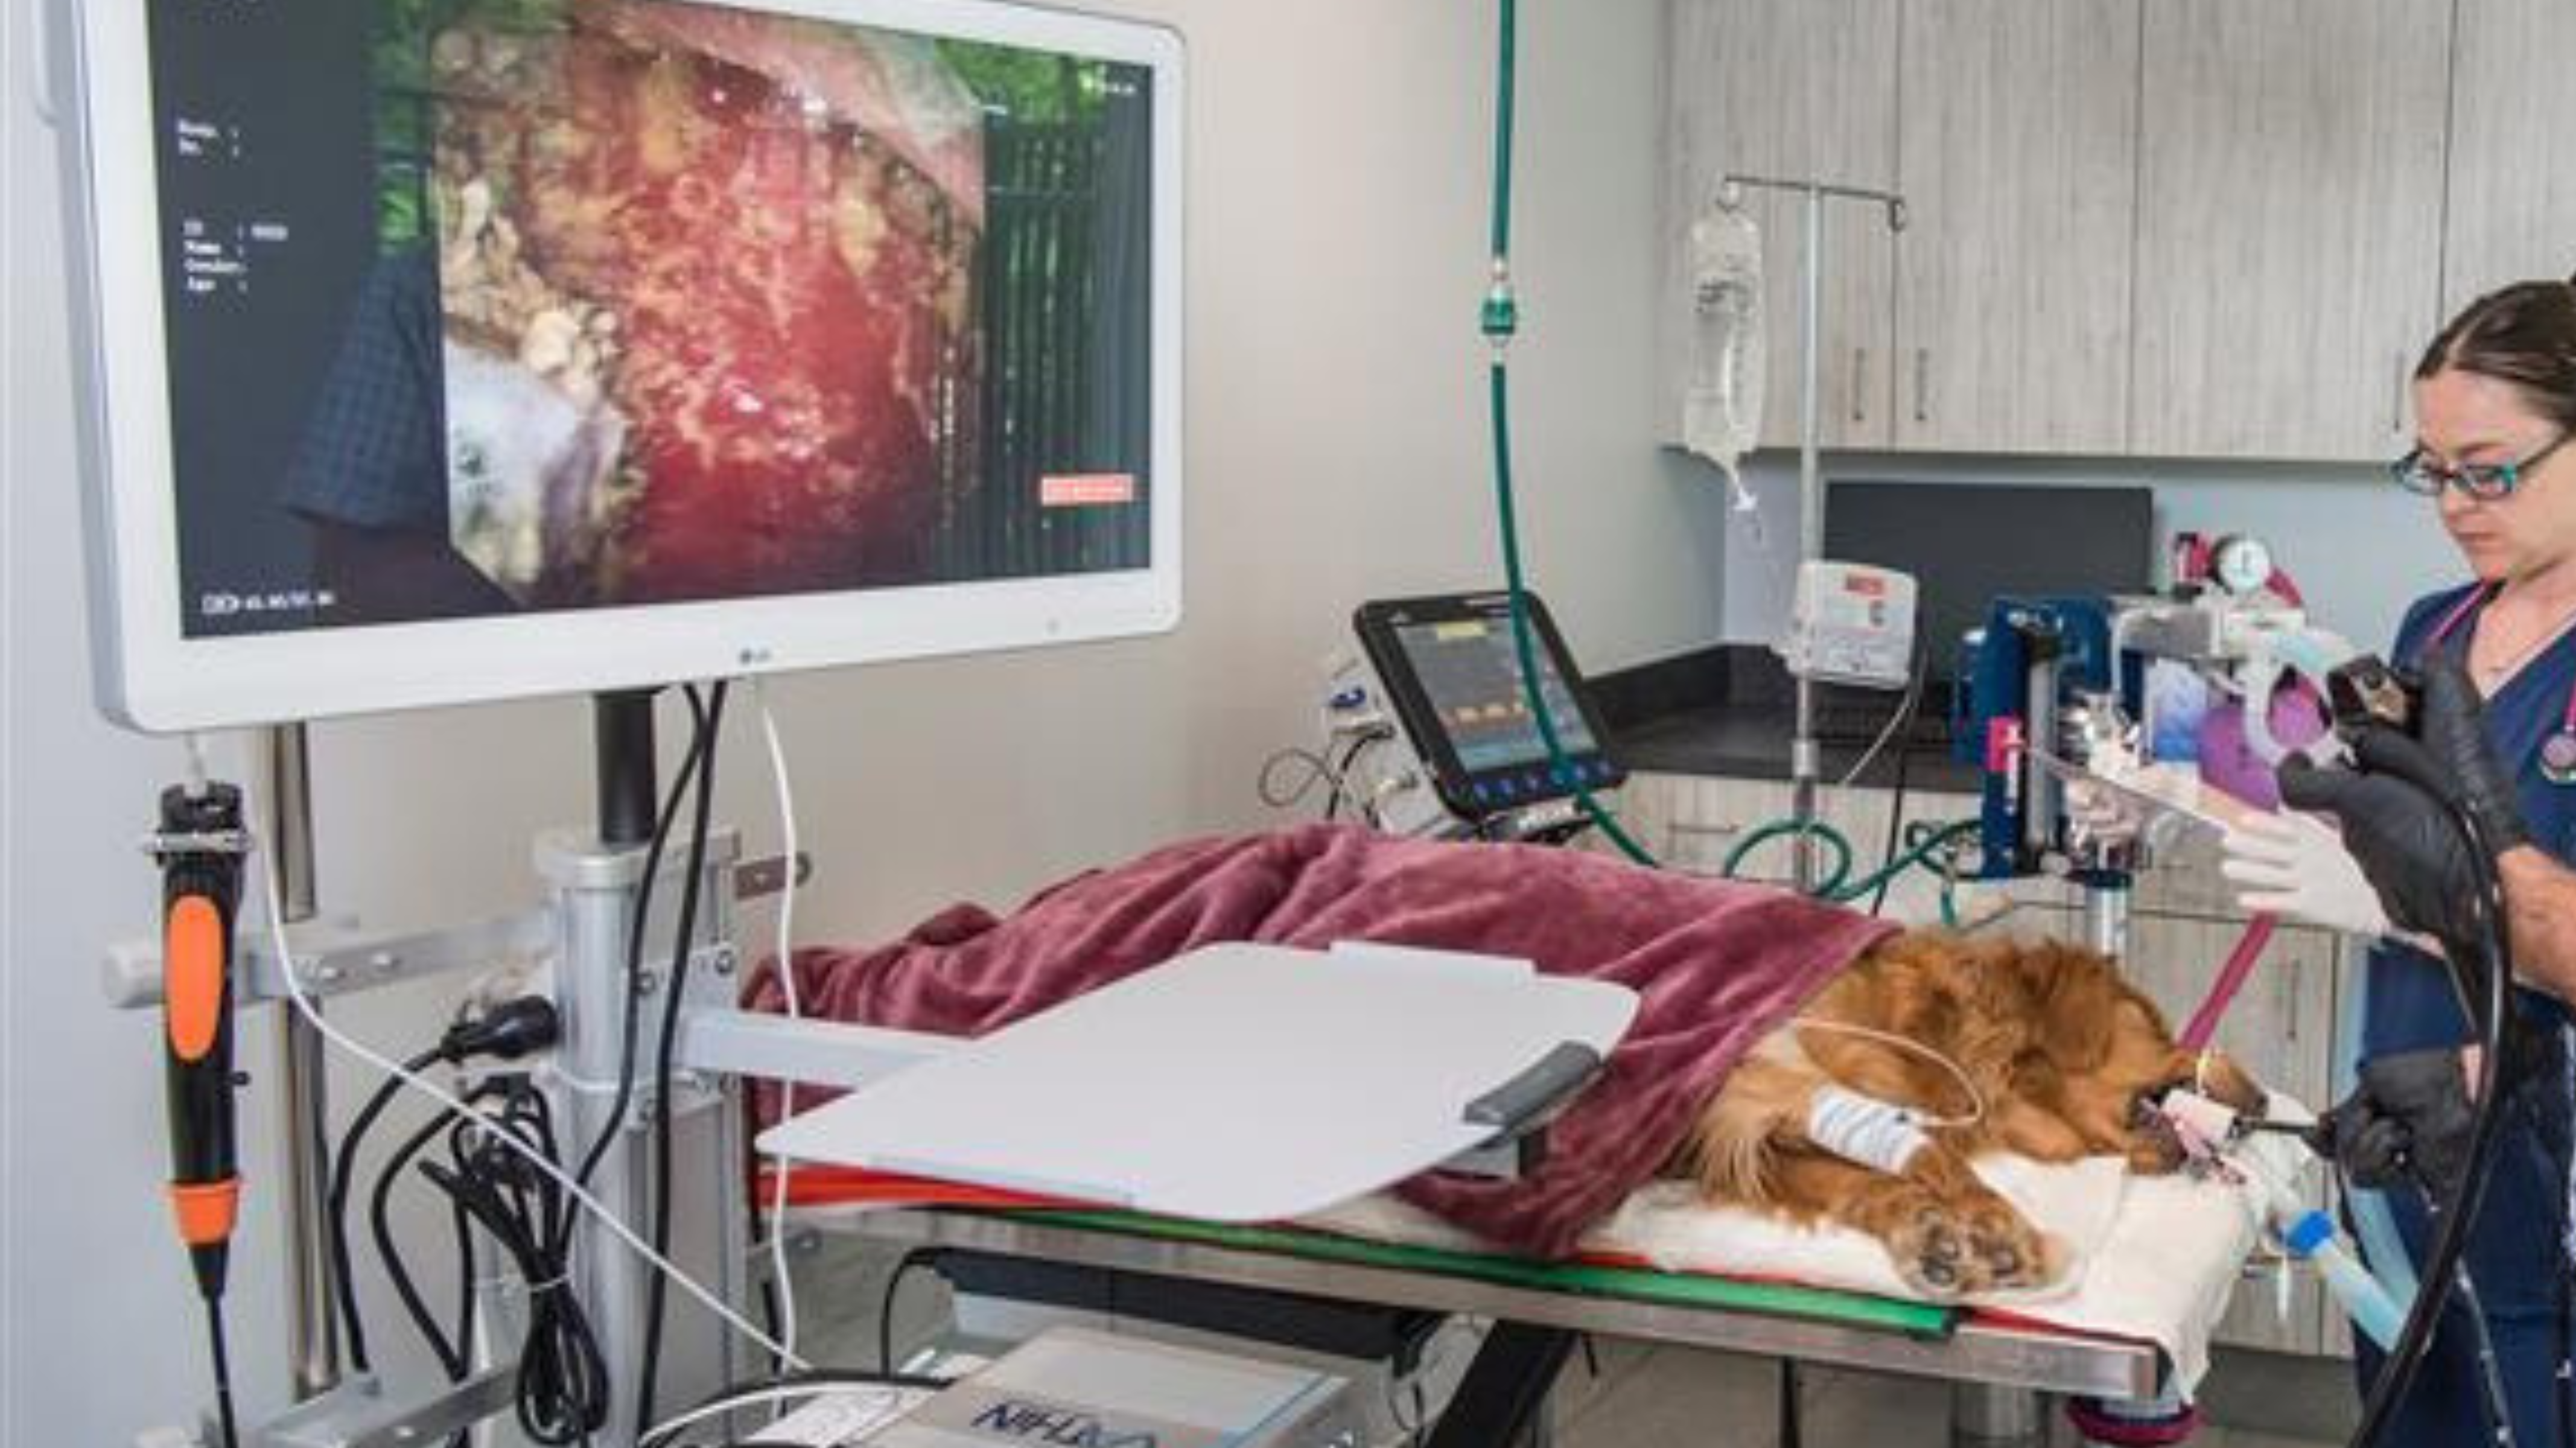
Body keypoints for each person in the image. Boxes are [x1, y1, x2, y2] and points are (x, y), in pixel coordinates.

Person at [2220, 277, 2576, 1444]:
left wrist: (2414, 910)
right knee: (2412, 1393)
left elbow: (2450, 881)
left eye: (2491, 469)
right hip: (2409, 1124)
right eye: (2433, 470)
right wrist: (2195, 801)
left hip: (2543, 1153)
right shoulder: (2438, 625)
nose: (2456, 506)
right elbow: (2388, 828)